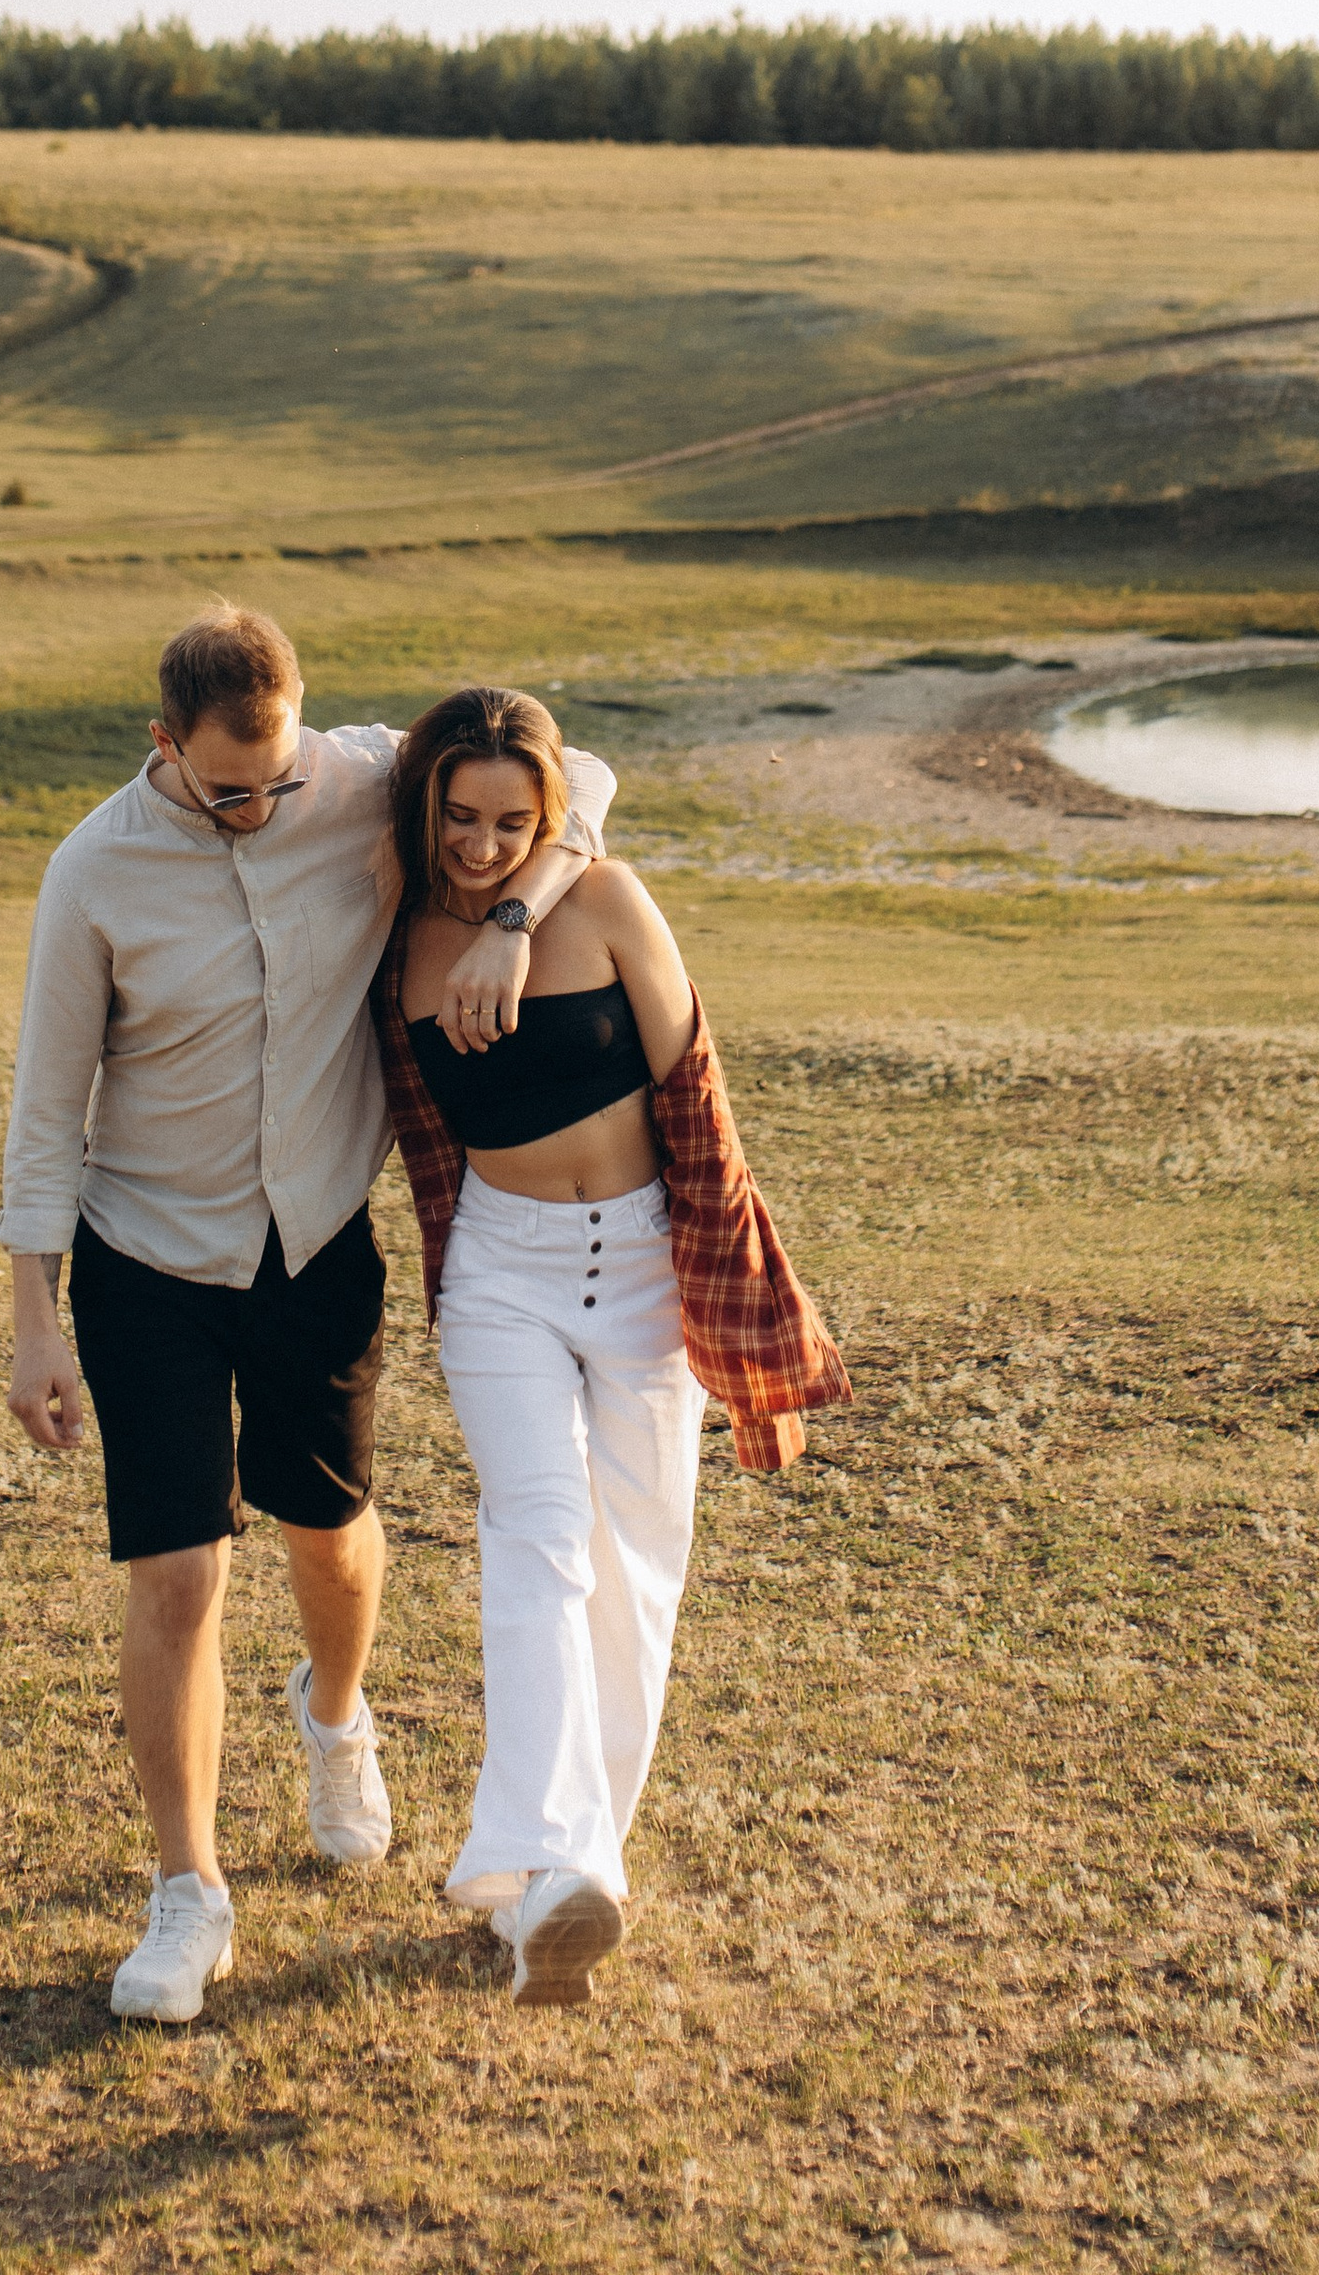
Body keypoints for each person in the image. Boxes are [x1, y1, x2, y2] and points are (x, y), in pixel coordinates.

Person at [0, 605, 617, 2024]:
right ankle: (188, 1894)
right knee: (181, 1576)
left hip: (317, 1243)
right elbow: (45, 1113)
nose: (263, 808)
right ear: (165, 746)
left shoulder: (356, 780)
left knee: (330, 1545)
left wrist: (513, 919)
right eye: (230, 789)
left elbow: (573, 777)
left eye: (278, 781)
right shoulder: (92, 871)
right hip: (147, 1260)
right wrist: (34, 1323)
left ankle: (336, 1717)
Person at [372, 683, 848, 2007]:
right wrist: (477, 918)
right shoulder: (392, 934)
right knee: (540, 1547)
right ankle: (552, 1870)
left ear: (550, 817)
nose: (481, 845)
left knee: (640, 1574)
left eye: (512, 823)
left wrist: (517, 923)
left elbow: (693, 1085)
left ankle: (566, 1883)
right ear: (423, 805)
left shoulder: (610, 900)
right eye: (458, 818)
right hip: (502, 1280)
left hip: (644, 1270)